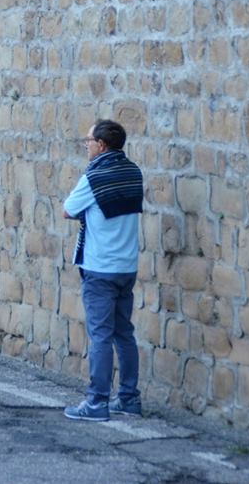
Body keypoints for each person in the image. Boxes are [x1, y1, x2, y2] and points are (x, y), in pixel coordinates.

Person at [62, 120, 144, 422]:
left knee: (100, 336)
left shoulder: (94, 176)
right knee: (124, 333)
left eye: (88, 140)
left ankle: (97, 402)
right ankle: (129, 397)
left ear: (102, 144)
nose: (86, 144)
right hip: (127, 264)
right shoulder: (133, 171)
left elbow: (68, 209)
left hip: (99, 266)